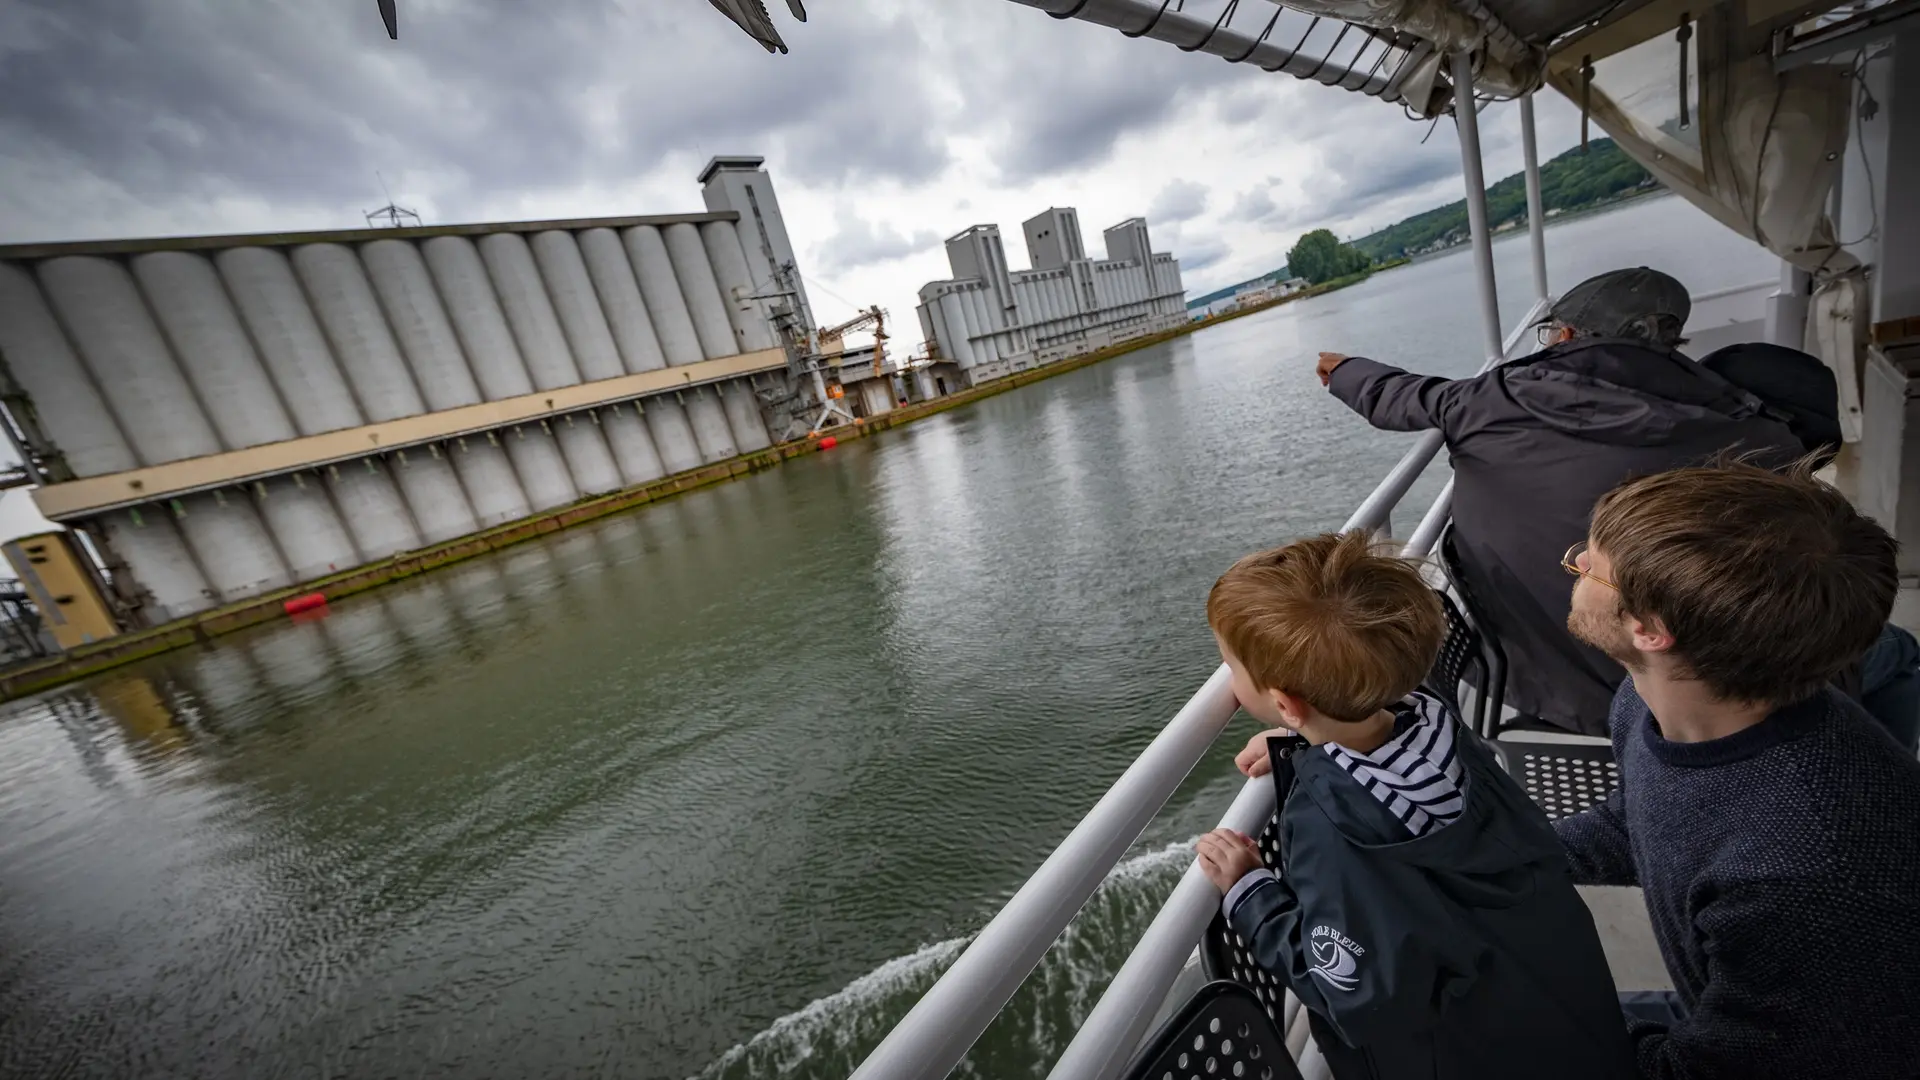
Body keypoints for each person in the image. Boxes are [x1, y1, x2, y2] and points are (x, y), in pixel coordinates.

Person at [1193, 532, 1633, 1080]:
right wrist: (1301, 741)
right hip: (1559, 1017)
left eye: (1230, 667)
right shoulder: (1438, 726)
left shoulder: (1333, 826)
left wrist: (1250, 892)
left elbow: (1354, 990)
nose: (1228, 681)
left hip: (1462, 1055)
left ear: (1284, 703)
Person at [1317, 267, 1803, 735]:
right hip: (1718, 689)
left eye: (1550, 333)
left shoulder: (1489, 400)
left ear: (1569, 336)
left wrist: (1344, 371)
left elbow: (1400, 396)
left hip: (1547, 689)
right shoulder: (1748, 429)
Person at [1557, 460, 1920, 1078]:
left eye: (1589, 564)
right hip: (1748, 1008)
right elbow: (1643, 815)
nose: (1579, 568)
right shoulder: (1657, 701)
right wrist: (1493, 863)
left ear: (1650, 630)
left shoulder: (1808, 877)